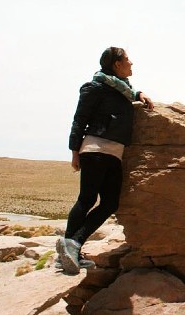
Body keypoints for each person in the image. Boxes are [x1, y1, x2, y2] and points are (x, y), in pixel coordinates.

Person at [57, 47, 153, 275]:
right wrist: (74, 151)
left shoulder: (124, 90)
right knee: (87, 199)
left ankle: (72, 245)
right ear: (117, 64)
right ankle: (69, 251)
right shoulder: (95, 87)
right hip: (95, 148)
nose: (132, 63)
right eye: (128, 60)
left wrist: (139, 94)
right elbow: (79, 119)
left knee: (110, 203)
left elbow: (128, 94)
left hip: (114, 153)